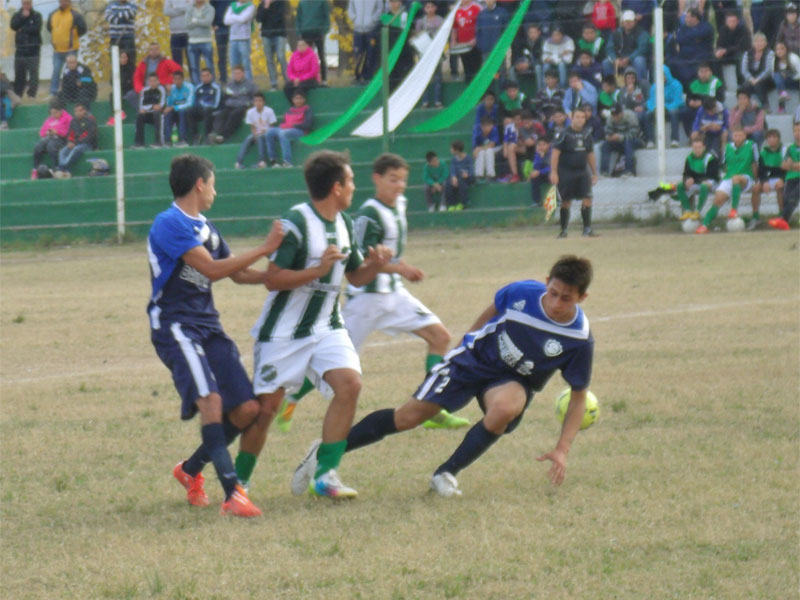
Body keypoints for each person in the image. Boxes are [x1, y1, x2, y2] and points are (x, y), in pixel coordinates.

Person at [290, 255, 596, 498]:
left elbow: (578, 395)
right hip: (472, 361)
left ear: (582, 297)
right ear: (546, 283)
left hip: (511, 381)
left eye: (566, 298)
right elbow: (494, 307)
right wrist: (469, 340)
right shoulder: (523, 293)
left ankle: (445, 474)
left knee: (505, 408)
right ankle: (324, 451)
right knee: (408, 418)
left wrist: (562, 450)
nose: (556, 304)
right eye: (553, 293)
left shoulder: (579, 339)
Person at [275, 154, 469, 433]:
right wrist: (399, 268)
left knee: (440, 336)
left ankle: (431, 407)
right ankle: (290, 398)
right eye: (393, 179)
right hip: (366, 301)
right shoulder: (368, 212)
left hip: (394, 295)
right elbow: (360, 260)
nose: (399, 185)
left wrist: (398, 271)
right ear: (376, 178)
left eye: (403, 179)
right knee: (335, 365)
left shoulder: (400, 204)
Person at [247, 150, 391, 498]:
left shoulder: (344, 224)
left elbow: (355, 277)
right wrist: (316, 271)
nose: (355, 187)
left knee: (350, 385)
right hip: (283, 331)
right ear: (336, 187)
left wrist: (376, 264)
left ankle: (325, 476)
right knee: (265, 410)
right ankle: (238, 482)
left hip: (327, 325)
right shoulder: (296, 222)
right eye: (351, 181)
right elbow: (273, 278)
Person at [149, 154, 283, 517]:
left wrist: (285, 276)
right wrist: (265, 248)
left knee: (248, 410)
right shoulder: (169, 223)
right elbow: (210, 268)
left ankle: (190, 470)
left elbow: (238, 274)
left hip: (208, 326)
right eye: (213, 183)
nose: (215, 191)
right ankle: (233, 494)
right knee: (211, 402)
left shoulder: (206, 227)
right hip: (177, 326)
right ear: (199, 184)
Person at [695, 126, 758, 234]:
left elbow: (755, 163)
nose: (737, 138)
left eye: (739, 135)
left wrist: (756, 179)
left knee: (736, 179)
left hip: (746, 177)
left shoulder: (751, 145)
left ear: (744, 136)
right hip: (729, 177)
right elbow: (724, 165)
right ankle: (705, 225)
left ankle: (734, 210)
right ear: (732, 136)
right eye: (735, 135)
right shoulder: (728, 147)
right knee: (718, 200)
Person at [550, 108, 599, 238]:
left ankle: (587, 229)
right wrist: (554, 172)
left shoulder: (587, 134)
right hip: (566, 171)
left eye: (582, 117)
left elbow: (590, 154)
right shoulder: (564, 133)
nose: (580, 120)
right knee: (566, 201)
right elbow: (555, 154)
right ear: (571, 118)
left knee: (587, 198)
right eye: (577, 117)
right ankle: (564, 230)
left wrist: (594, 172)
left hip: (583, 171)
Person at [670, 133, 720, 220]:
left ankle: (697, 211)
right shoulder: (689, 158)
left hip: (712, 183)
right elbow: (686, 173)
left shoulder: (710, 158)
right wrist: (687, 179)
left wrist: (694, 179)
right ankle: (688, 211)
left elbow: (711, 175)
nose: (697, 150)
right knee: (680, 185)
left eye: (699, 148)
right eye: (695, 148)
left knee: (705, 185)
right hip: (697, 182)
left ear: (704, 147)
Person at [46, 0, 87, 97]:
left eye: (66, 1)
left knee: (71, 72)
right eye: (62, 1)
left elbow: (83, 28)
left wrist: (74, 36)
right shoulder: (53, 14)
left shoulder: (75, 14)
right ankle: (53, 92)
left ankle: (72, 92)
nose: (63, 2)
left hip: (71, 49)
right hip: (57, 50)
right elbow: (49, 27)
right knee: (56, 71)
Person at [750, 129, 788, 230]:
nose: (771, 140)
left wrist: (782, 179)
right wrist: (764, 181)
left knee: (780, 188)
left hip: (780, 178)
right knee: (756, 188)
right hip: (768, 178)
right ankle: (755, 216)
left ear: (779, 139)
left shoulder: (784, 151)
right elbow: (761, 170)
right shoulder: (763, 152)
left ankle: (782, 216)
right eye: (769, 138)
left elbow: (787, 169)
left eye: (774, 137)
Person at [210, 64, 257, 143]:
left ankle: (223, 136)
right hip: (230, 106)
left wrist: (249, 103)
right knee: (221, 114)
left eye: (238, 73)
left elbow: (256, 97)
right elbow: (225, 97)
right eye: (235, 73)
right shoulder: (230, 85)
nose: (236, 75)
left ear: (243, 73)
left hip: (243, 106)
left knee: (234, 115)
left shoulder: (250, 85)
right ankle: (215, 133)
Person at [265, 90, 312, 167]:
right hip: (286, 129)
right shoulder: (290, 110)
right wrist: (283, 126)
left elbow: (308, 124)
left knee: (283, 133)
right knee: (269, 132)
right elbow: (284, 122)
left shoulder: (307, 109)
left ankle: (287, 162)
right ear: (293, 100)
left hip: (300, 131)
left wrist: (293, 125)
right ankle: (273, 160)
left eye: (301, 98)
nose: (299, 100)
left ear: (304, 100)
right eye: (296, 98)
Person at [670, 8, 714, 89]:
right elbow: (679, 38)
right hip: (684, 56)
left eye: (688, 17)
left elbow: (701, 34)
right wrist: (694, 38)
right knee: (672, 62)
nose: (686, 19)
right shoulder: (684, 28)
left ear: (695, 18)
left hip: (700, 55)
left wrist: (689, 37)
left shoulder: (705, 26)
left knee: (693, 67)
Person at [769, 122, 800, 231]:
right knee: (786, 199)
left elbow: (791, 164)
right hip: (791, 177)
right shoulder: (790, 148)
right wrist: (793, 165)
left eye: (799, 130)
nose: (797, 133)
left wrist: (792, 164)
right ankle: (784, 223)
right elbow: (784, 165)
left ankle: (782, 219)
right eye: (795, 131)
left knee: (793, 198)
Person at [680, 62, 725, 139]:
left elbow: (720, 98)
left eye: (706, 71)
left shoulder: (716, 83)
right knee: (685, 112)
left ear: (710, 72)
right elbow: (689, 98)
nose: (703, 74)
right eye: (701, 71)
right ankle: (692, 136)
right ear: (698, 73)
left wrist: (702, 103)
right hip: (695, 106)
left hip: (711, 106)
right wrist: (690, 102)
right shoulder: (694, 84)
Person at [604, 10, 649, 85]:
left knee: (639, 61)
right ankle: (611, 86)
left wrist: (629, 59)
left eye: (630, 21)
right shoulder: (616, 33)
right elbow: (609, 48)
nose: (628, 23)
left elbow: (642, 49)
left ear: (635, 21)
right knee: (606, 62)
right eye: (626, 21)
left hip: (634, 58)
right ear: (622, 22)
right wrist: (615, 59)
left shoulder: (642, 33)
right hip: (619, 59)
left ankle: (641, 85)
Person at [54, 102, 97, 178]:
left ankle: (61, 167)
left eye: (80, 111)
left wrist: (75, 143)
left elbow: (90, 137)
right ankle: (65, 171)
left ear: (84, 111)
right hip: (75, 144)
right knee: (63, 151)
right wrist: (70, 142)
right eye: (76, 111)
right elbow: (70, 134)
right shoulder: (73, 121)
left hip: (88, 145)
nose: (77, 113)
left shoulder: (90, 120)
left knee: (76, 149)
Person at [10, 0, 42, 99]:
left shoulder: (37, 15)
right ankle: (18, 94)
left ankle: (31, 94)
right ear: (22, 4)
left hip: (33, 49)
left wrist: (22, 29)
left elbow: (36, 28)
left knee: (33, 74)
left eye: (28, 3)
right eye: (24, 3)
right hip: (20, 49)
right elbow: (13, 26)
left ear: (31, 4)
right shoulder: (17, 15)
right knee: (19, 73)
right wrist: (23, 17)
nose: (26, 5)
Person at [600, 103, 644, 177]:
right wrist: (609, 137)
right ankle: (604, 172)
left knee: (628, 143)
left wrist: (620, 137)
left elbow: (635, 133)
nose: (615, 117)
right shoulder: (611, 118)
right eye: (613, 115)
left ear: (621, 113)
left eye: (617, 115)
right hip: (620, 141)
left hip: (636, 140)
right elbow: (608, 131)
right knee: (605, 145)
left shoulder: (630, 116)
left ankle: (630, 171)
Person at [31, 100, 72, 179]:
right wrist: (47, 133)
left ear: (61, 111)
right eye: (51, 113)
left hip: (61, 139)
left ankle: (56, 169)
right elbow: (41, 132)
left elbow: (70, 131)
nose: (53, 115)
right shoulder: (49, 119)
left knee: (51, 146)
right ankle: (35, 169)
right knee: (38, 146)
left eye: (55, 112)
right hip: (49, 138)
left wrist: (57, 132)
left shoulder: (68, 118)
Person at [236, 91, 277, 169]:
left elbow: (272, 127)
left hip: (267, 133)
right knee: (248, 138)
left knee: (260, 137)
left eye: (260, 101)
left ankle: (262, 161)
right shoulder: (250, 112)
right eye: (256, 101)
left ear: (264, 102)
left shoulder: (269, 111)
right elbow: (252, 127)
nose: (258, 103)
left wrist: (264, 132)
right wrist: (255, 134)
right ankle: (239, 162)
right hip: (256, 133)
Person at [416, 0, 444, 107]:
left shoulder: (440, 20)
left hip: (436, 52)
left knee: (437, 77)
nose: (430, 9)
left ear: (435, 8)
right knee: (424, 77)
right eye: (427, 7)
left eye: (432, 7)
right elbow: (418, 36)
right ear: (424, 9)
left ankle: (438, 101)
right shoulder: (420, 22)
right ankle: (425, 101)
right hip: (424, 52)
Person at [296, 0, 330, 84]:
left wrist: (324, 30)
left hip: (318, 32)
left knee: (321, 55)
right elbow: (298, 18)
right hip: (305, 33)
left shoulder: (322, 2)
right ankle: (307, 78)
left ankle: (324, 79)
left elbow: (327, 18)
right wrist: (299, 32)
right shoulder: (302, 3)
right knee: (305, 57)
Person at [257, 0, 288, 91]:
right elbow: (259, 19)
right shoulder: (262, 4)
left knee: (281, 56)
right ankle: (273, 83)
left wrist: (267, 12)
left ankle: (287, 81)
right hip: (266, 35)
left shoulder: (281, 3)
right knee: (269, 59)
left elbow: (278, 18)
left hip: (280, 34)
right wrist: (266, 7)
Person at [187, 67, 222, 144]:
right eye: (203, 76)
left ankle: (207, 137)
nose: (205, 78)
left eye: (207, 75)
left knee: (207, 110)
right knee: (189, 110)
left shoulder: (216, 87)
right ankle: (196, 136)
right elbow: (195, 101)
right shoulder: (198, 87)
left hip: (212, 110)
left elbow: (216, 104)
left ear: (211, 76)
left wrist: (204, 104)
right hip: (200, 110)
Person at [741, 33, 775, 111]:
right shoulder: (747, 54)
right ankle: (746, 106)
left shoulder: (770, 53)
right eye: (756, 41)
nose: (759, 43)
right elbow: (744, 70)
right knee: (744, 86)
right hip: (752, 78)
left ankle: (765, 105)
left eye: (761, 41)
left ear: (766, 43)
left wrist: (757, 79)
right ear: (753, 43)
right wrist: (751, 79)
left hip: (766, 79)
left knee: (758, 85)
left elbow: (768, 70)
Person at [714, 11, 750, 85]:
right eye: (729, 21)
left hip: (739, 53)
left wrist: (726, 50)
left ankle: (740, 84)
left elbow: (742, 46)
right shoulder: (723, 30)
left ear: (737, 21)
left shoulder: (744, 30)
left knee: (740, 58)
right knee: (714, 60)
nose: (731, 23)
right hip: (727, 54)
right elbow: (719, 43)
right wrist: (719, 51)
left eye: (733, 21)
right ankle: (720, 84)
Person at [350, 0, 382, 84]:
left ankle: (368, 77)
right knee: (358, 53)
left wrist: (373, 19)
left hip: (371, 29)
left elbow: (380, 8)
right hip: (358, 29)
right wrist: (354, 18)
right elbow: (350, 9)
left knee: (371, 53)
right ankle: (358, 76)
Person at [223, 0, 255, 81]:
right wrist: (238, 17)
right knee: (233, 64)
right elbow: (226, 21)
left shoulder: (250, 6)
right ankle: (235, 84)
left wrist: (232, 16)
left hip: (244, 38)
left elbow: (243, 19)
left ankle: (248, 84)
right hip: (233, 39)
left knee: (245, 64)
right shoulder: (232, 5)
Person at [452, 0, 483, 84]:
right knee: (466, 67)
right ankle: (469, 88)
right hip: (463, 45)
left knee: (476, 67)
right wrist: (454, 40)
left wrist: (476, 38)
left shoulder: (477, 8)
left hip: (474, 44)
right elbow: (455, 27)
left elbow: (482, 25)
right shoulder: (457, 10)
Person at [133, 73, 166, 148]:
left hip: (158, 115)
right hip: (148, 114)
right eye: (150, 81)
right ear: (148, 82)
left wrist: (148, 108)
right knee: (140, 116)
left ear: (158, 81)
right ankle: (139, 143)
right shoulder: (145, 91)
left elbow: (161, 105)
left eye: (154, 81)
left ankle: (158, 142)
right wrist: (152, 106)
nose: (152, 83)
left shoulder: (161, 89)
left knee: (157, 113)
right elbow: (142, 106)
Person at [186, 0, 216, 84]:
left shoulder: (210, 9)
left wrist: (194, 20)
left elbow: (207, 22)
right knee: (194, 68)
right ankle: (197, 87)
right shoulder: (189, 8)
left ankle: (212, 86)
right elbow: (187, 24)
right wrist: (200, 21)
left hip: (205, 41)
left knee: (209, 66)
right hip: (192, 41)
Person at [106, 50, 139, 125]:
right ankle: (119, 113)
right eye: (121, 57)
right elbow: (112, 81)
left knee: (130, 94)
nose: (123, 59)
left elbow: (133, 81)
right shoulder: (115, 68)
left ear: (128, 58)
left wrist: (125, 82)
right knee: (112, 95)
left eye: (124, 57)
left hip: (130, 89)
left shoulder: (132, 68)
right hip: (120, 89)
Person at [619, 66, 649, 146]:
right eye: (628, 78)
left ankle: (642, 137)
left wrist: (634, 93)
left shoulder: (637, 89)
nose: (630, 80)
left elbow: (639, 102)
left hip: (636, 111)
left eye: (633, 78)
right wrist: (629, 94)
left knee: (640, 115)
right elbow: (623, 105)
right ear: (625, 79)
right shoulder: (622, 91)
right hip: (626, 112)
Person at [164, 70, 195, 146]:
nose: (177, 81)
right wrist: (168, 94)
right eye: (175, 79)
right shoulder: (172, 88)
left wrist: (174, 107)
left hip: (187, 111)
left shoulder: (189, 87)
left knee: (182, 112)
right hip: (175, 110)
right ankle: (168, 140)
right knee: (167, 114)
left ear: (182, 79)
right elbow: (169, 104)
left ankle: (183, 139)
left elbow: (190, 103)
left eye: (179, 79)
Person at [510, 23, 544, 92]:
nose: (532, 34)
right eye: (530, 32)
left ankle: (540, 92)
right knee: (512, 69)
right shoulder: (524, 43)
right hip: (525, 65)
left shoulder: (542, 43)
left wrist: (530, 64)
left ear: (539, 33)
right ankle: (516, 94)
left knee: (538, 68)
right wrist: (518, 64)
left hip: (537, 65)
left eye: (534, 32)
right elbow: (519, 56)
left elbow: (542, 59)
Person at [476, 0, 508, 70]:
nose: (489, 1)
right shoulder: (482, 14)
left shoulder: (502, 12)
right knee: (488, 71)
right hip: (486, 50)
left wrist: (502, 45)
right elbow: (478, 32)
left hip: (498, 50)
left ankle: (501, 80)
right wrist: (481, 46)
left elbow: (506, 30)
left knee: (500, 71)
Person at [104, 0, 138, 65]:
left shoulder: (132, 4)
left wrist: (116, 16)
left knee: (130, 62)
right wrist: (122, 17)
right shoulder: (111, 5)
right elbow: (108, 17)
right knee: (114, 62)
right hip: (115, 38)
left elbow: (131, 13)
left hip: (128, 38)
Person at [446, 139, 474, 210]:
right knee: (449, 183)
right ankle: (451, 204)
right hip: (457, 178)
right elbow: (452, 170)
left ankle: (463, 203)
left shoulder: (468, 158)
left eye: (452, 148)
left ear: (457, 150)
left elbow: (471, 170)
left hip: (466, 178)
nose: (450, 150)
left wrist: (468, 174)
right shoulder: (454, 160)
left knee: (462, 183)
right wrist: (453, 177)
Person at [773, 41, 800, 114]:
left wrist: (790, 76)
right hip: (783, 82)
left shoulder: (793, 58)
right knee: (777, 76)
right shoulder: (774, 60)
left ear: (786, 50)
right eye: (777, 49)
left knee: (779, 77)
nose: (779, 51)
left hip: (795, 81)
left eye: (782, 49)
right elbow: (773, 74)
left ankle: (782, 105)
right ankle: (783, 98)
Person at [472, 116, 501, 182]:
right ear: (481, 126)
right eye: (484, 126)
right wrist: (477, 150)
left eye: (488, 126)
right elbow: (475, 147)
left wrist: (479, 148)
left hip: (496, 148)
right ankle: (479, 175)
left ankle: (490, 175)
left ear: (492, 126)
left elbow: (492, 145)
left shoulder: (494, 130)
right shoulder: (478, 132)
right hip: (483, 149)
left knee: (489, 151)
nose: (486, 128)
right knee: (481, 153)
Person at [164, 0, 192, 68]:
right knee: (176, 63)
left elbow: (191, 9)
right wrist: (183, 9)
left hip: (189, 33)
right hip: (175, 33)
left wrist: (175, 9)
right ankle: (178, 78)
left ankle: (194, 79)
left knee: (192, 61)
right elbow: (166, 12)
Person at [210, 0, 231, 84]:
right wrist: (213, 25)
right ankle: (223, 78)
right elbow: (211, 10)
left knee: (234, 55)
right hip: (219, 29)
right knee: (222, 55)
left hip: (232, 28)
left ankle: (237, 77)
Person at [529, 137, 552, 206]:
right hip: (543, 175)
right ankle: (537, 201)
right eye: (539, 145)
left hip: (553, 174)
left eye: (543, 144)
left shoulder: (552, 153)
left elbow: (552, 167)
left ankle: (559, 199)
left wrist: (539, 172)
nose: (541, 147)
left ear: (548, 145)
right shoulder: (538, 153)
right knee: (534, 177)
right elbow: (536, 167)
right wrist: (540, 157)